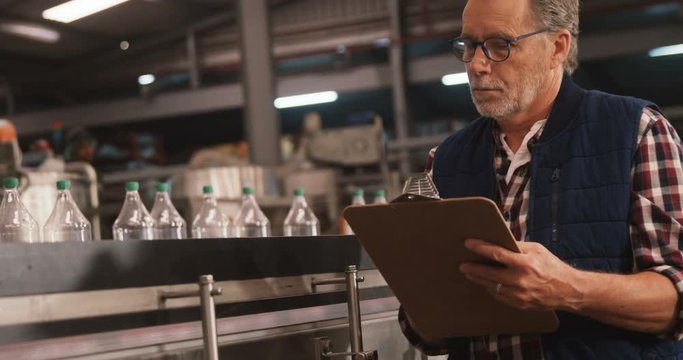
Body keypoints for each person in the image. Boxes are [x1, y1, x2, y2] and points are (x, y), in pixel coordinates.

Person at [399, 0, 683, 358]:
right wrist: (418, 293)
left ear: (557, 47)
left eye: (499, 45)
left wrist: (566, 288)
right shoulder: (445, 162)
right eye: (468, 45)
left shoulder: (637, 132)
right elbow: (429, 335)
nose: (476, 65)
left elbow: (676, 300)